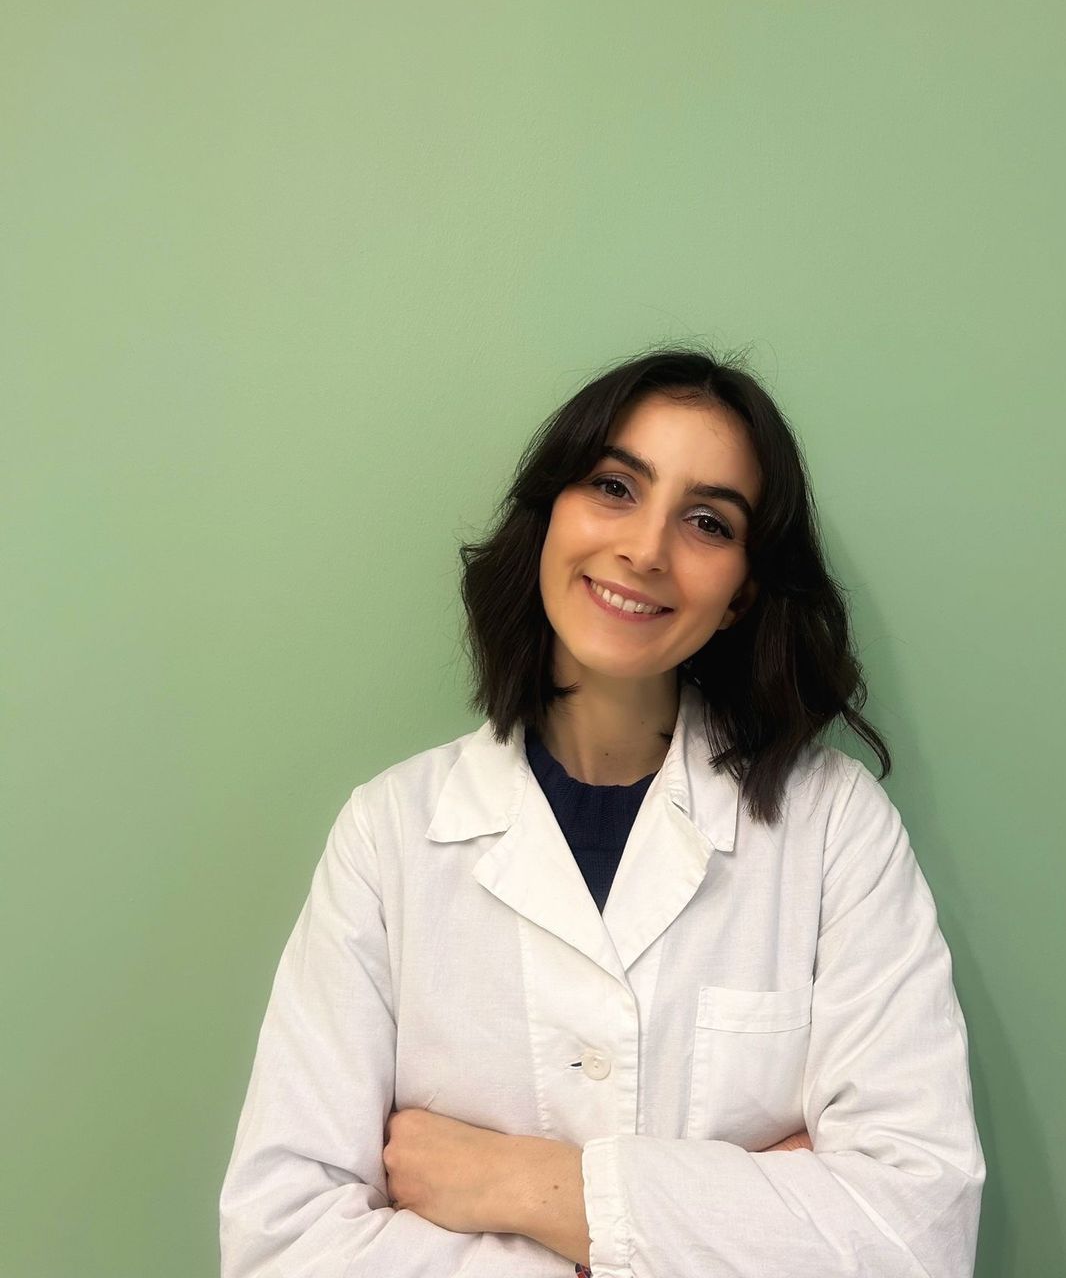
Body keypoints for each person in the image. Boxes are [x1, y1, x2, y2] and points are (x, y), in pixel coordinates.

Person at [219, 346, 985, 1277]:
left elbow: (916, 1234)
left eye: (707, 522)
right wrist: (727, 1220)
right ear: (551, 514)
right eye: (615, 487)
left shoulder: (832, 829)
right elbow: (283, 1243)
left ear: (741, 593)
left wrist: (523, 1187)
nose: (647, 550)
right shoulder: (389, 836)